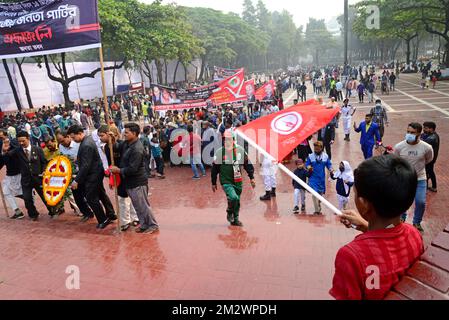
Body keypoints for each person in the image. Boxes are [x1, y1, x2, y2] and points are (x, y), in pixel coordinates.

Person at [330, 155, 424, 300]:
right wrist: (367, 227)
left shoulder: (351, 256)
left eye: (355, 193)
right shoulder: (414, 235)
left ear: (364, 204)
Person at [110, 123, 159, 234]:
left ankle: (152, 224)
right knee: (137, 206)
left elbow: (133, 169)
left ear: (134, 133)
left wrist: (118, 170)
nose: (124, 134)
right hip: (130, 182)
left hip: (138, 182)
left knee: (143, 206)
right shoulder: (127, 143)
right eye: (124, 132)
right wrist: (113, 139)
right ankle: (144, 224)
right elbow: (118, 146)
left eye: (126, 132)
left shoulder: (137, 148)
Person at [68, 125, 116, 229]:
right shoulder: (87, 140)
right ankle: (111, 214)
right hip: (96, 172)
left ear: (80, 133)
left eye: (73, 137)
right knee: (101, 194)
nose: (73, 139)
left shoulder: (86, 144)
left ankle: (103, 219)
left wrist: (76, 180)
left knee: (91, 198)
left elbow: (86, 166)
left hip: (92, 175)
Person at [2, 131, 52, 220]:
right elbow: (6, 158)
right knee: (27, 198)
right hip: (25, 179)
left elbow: (44, 162)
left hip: (38, 178)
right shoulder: (18, 151)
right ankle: (33, 214)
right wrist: (4, 151)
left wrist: (44, 170)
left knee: (45, 196)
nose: (21, 143)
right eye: (19, 141)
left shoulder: (37, 149)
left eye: (23, 141)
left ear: (28, 138)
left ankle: (52, 211)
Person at [394, 123, 434, 232]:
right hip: (404, 179)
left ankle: (416, 222)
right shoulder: (399, 147)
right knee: (402, 200)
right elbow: (396, 161)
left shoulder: (427, 147)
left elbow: (429, 159)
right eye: (408, 132)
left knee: (420, 201)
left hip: (420, 178)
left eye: (412, 132)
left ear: (419, 134)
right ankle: (402, 217)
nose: (409, 134)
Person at [98, 125, 139, 232]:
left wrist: (114, 142)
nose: (100, 138)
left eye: (102, 135)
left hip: (125, 174)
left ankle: (133, 218)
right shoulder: (106, 147)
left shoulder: (123, 144)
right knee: (123, 198)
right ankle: (126, 220)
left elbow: (119, 150)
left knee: (128, 197)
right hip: (117, 175)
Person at [211, 130, 256, 226]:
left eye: (229, 140)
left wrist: (251, 178)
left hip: (238, 181)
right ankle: (229, 211)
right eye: (225, 140)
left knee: (237, 201)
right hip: (226, 180)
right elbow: (214, 169)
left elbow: (247, 164)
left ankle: (235, 219)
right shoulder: (220, 152)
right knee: (234, 198)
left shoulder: (240, 150)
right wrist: (213, 182)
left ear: (233, 140)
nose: (227, 142)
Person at [0, 130, 23, 219]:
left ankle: (31, 204)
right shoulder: (1, 147)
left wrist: (8, 148)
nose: (1, 140)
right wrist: (3, 151)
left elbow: (18, 150)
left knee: (22, 193)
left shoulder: (14, 143)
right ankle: (17, 211)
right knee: (6, 192)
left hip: (19, 173)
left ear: (6, 136)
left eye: (2, 137)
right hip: (9, 175)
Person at [306, 141, 334, 215]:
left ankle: (318, 203)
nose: (316, 151)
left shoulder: (325, 156)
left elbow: (329, 164)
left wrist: (331, 169)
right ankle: (317, 210)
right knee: (314, 193)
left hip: (321, 178)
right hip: (313, 178)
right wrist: (308, 167)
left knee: (320, 193)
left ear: (321, 148)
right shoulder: (311, 156)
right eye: (315, 149)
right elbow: (307, 164)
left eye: (318, 149)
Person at [422, 121, 439, 192]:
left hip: (430, 159)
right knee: (430, 171)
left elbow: (422, 143)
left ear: (431, 129)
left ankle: (425, 188)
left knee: (427, 172)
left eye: (425, 128)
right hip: (431, 158)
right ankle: (433, 186)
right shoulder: (433, 135)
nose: (423, 129)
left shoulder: (432, 138)